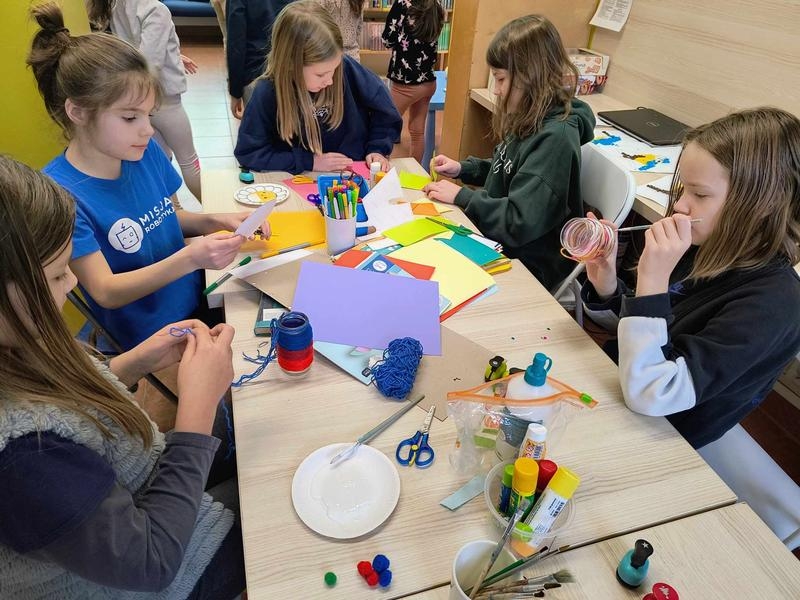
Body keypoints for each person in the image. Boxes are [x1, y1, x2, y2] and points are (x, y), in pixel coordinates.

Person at [0, 155, 244, 599]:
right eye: (57, 275)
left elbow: (62, 407)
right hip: (158, 574)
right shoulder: (22, 457)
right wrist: (197, 408)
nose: (73, 283)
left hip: (142, 496)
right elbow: (152, 563)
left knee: (259, 444)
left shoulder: (19, 344)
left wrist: (136, 362)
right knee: (280, 513)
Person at [28, 2, 265, 351]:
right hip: (147, 338)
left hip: (195, 298)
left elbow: (162, 218)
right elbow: (106, 291)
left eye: (148, 115)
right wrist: (192, 257)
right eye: (130, 118)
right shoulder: (59, 195)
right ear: (78, 112)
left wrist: (215, 219)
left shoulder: (142, 151)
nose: (147, 130)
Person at [581, 107, 800, 449]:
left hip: (661, 436)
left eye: (699, 194)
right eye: (683, 190)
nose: (681, 206)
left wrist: (652, 283)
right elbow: (642, 336)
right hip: (620, 391)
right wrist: (607, 284)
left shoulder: (775, 304)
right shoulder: (707, 244)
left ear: (762, 204)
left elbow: (652, 393)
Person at [423, 15, 595, 290]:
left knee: (434, 276)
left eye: (501, 79)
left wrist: (463, 196)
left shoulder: (556, 139)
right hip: (500, 238)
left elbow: (519, 220)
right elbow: (508, 167)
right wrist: (464, 169)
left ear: (530, 75)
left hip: (528, 262)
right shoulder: (532, 116)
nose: (498, 91)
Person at [234, 0, 402, 174]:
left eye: (334, 69)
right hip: (299, 180)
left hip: (352, 173)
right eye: (321, 75)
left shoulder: (346, 68)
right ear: (291, 64)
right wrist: (308, 161)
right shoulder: (267, 92)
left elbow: (386, 113)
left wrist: (377, 149)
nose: (330, 81)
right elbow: (249, 153)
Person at [85, 0, 204, 202]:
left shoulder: (117, 6)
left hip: (140, 104)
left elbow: (133, 50)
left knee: (161, 162)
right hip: (165, 101)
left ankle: (174, 212)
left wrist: (173, 54)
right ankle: (214, 209)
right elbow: (150, 63)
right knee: (189, 160)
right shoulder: (156, 9)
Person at [382, 0, 445, 162]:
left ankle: (379, 170)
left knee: (383, 129)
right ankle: (415, 172)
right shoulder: (437, 5)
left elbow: (387, 39)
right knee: (417, 132)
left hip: (405, 84)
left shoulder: (402, 4)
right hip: (428, 82)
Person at [226, 0, 296, 119]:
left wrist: (235, 91)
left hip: (255, 74)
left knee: (258, 127)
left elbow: (236, 44)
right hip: (290, 72)